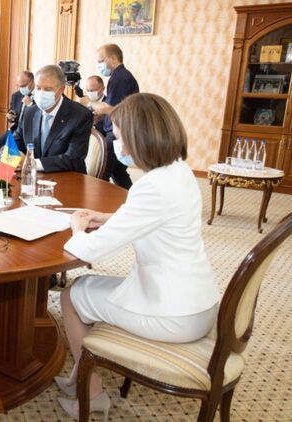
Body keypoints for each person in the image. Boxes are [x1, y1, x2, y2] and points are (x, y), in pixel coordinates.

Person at [55, 93, 220, 420]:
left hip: (173, 314)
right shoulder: (179, 172)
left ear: (138, 138)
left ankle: (92, 395)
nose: (118, 145)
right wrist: (107, 218)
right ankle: (79, 377)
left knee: (71, 296)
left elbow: (88, 250)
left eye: (119, 137)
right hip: (199, 301)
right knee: (90, 289)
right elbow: (155, 218)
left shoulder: (153, 187)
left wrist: (77, 227)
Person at [6, 65, 92, 173]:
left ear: (61, 90)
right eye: (38, 88)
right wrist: (9, 157)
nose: (41, 93)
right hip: (33, 177)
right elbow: (14, 143)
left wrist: (32, 163)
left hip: (68, 177)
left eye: (47, 89)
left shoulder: (81, 115)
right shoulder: (30, 112)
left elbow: (73, 159)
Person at [91, 43, 139, 189]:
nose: (99, 65)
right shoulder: (119, 77)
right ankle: (130, 197)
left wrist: (89, 103)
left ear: (112, 58)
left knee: (100, 174)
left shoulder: (120, 78)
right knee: (118, 171)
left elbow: (110, 108)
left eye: (101, 61)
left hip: (117, 133)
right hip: (119, 131)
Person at [0, 71, 34, 155]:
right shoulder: (16, 95)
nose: (21, 88)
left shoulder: (39, 96)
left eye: (23, 86)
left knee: (16, 150)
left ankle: (19, 161)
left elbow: (41, 114)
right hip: (16, 129)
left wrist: (30, 105)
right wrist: (10, 116)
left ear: (32, 82)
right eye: (19, 86)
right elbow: (12, 112)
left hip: (31, 131)